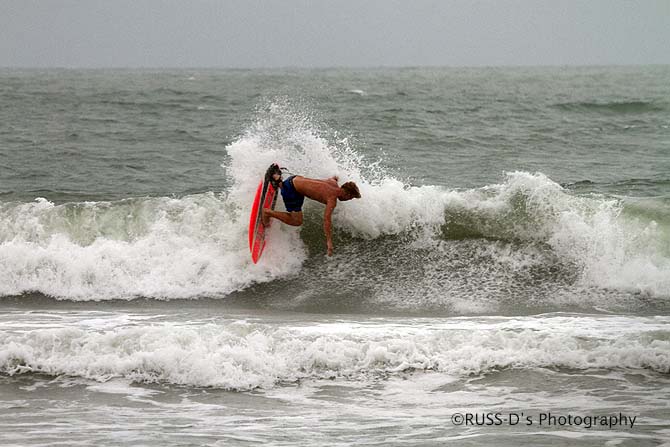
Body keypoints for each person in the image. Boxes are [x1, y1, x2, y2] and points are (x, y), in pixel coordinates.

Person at [261, 164, 361, 256]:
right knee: (297, 221)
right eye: (350, 198)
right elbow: (327, 220)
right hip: (292, 190)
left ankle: (279, 180)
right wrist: (329, 241)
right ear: (347, 194)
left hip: (295, 179)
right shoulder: (332, 199)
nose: (348, 200)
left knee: (301, 191)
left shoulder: (333, 182)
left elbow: (334, 177)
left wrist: (336, 177)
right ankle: (267, 212)